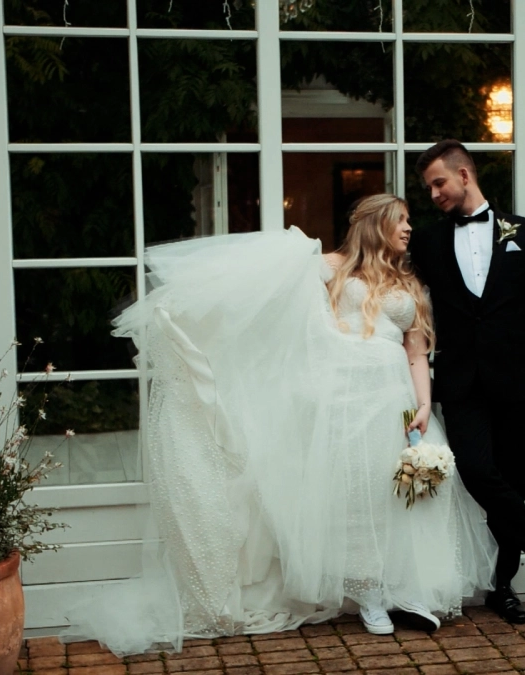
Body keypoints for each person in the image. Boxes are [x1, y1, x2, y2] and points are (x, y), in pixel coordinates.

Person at [61, 194, 496, 655]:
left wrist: (423, 404)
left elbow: (415, 352)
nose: (409, 228)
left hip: (394, 399)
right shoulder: (330, 267)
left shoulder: (410, 282)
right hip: (341, 396)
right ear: (374, 224)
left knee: (400, 493)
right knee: (353, 491)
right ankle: (368, 593)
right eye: (401, 219)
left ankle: (404, 587)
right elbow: (272, 298)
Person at [408, 139, 525, 625]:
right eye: (429, 187)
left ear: (464, 175)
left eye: (438, 183)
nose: (434, 194)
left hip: (516, 378)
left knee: (512, 481)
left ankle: (503, 587)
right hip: (460, 381)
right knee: (476, 471)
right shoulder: (427, 241)